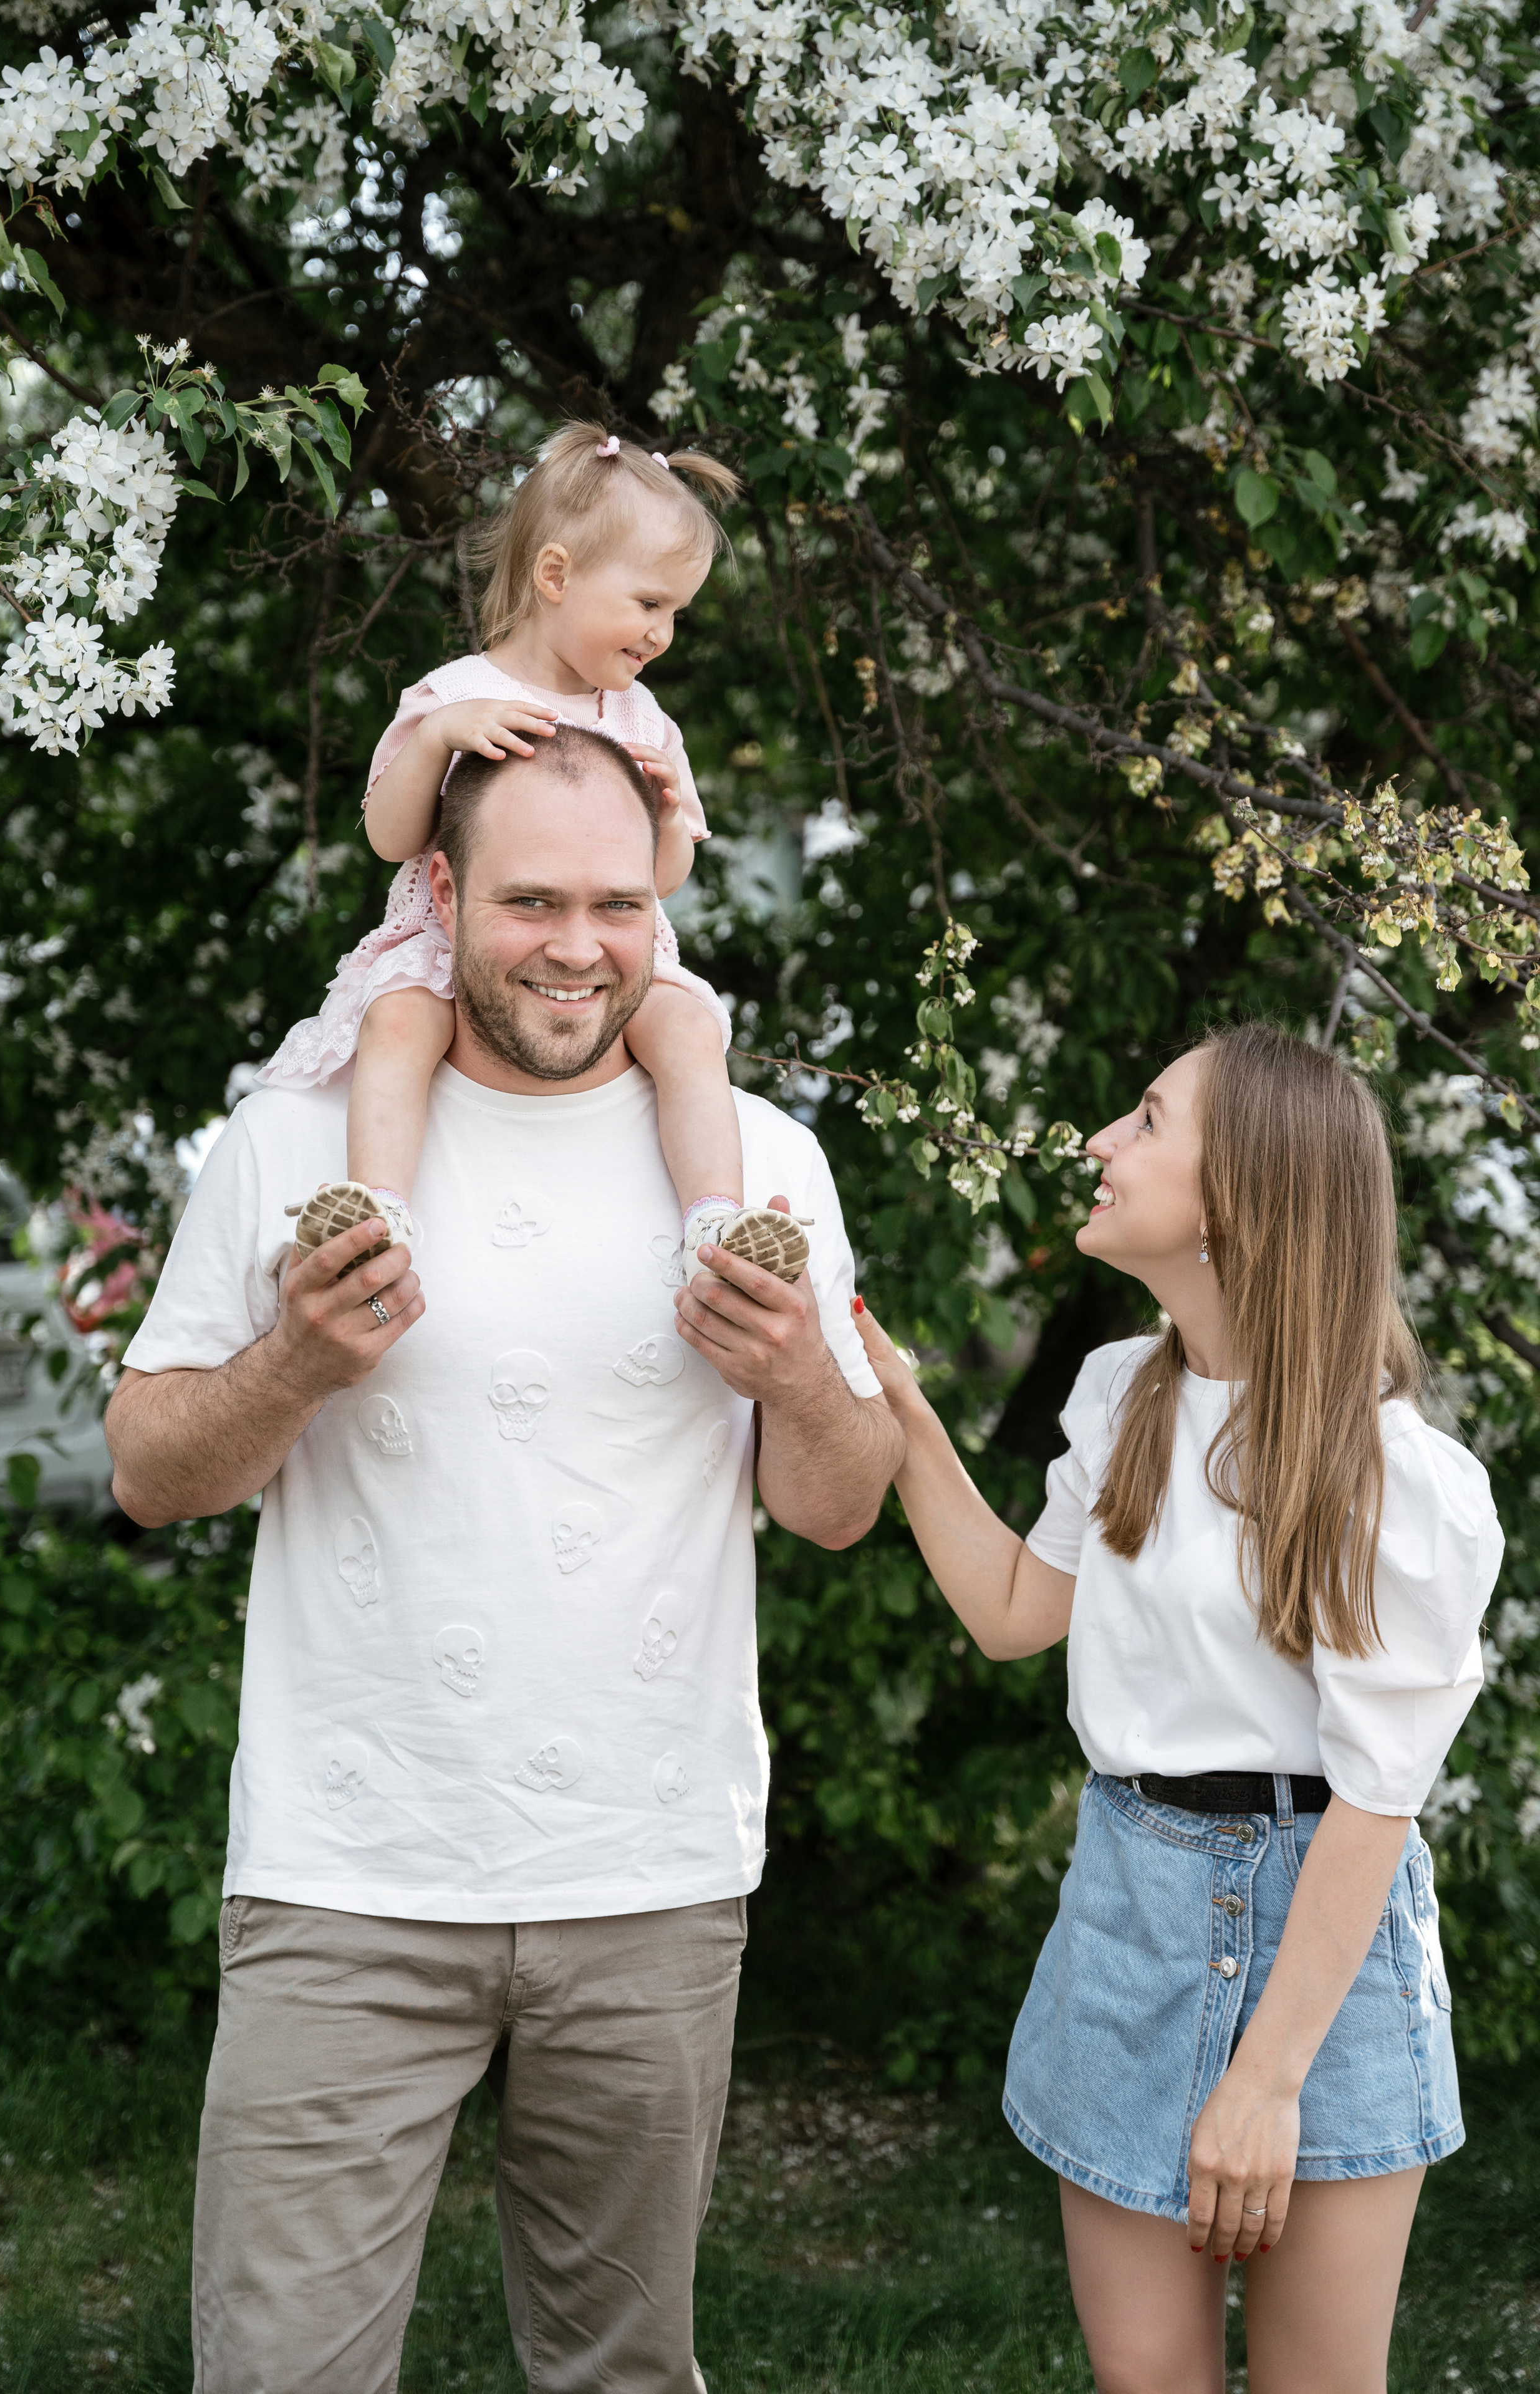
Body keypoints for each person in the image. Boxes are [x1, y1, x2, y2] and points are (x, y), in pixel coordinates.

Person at [105, 719, 903, 2394]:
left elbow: (837, 1503)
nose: (576, 946)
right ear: (446, 895)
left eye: (617, 902)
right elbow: (152, 1469)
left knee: (622, 2372)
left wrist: (792, 1381)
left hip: (653, 1873)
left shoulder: (760, 1165)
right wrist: (301, 1362)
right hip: (348, 1870)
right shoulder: (294, 1143)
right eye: (533, 899)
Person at [851, 1021, 1502, 2394]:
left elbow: (1376, 1798)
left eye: (1145, 1121)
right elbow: (1013, 1613)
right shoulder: (1121, 1397)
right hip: (1128, 1910)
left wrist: (1267, 2084)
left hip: (1318, 1936)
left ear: (1241, 1200)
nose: (1099, 1142)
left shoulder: (1392, 1479)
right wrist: (905, 1415)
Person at [261, 420, 784, 1287]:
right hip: (453, 951)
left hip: (605, 961)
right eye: (649, 605)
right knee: (399, 1023)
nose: (662, 635)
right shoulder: (458, 695)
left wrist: (660, 815)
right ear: (556, 576)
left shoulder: (645, 723)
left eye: (676, 615)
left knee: (689, 1029)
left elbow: (663, 883)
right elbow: (390, 837)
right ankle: (379, 1210)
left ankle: (714, 1223)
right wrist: (435, 742)